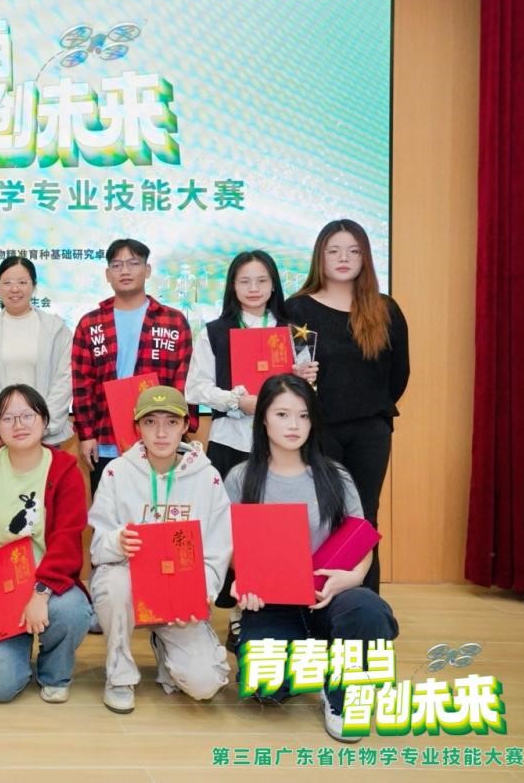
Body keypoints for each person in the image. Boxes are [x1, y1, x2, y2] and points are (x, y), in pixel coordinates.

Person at [225, 373, 399, 743]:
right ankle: (322, 663)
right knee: (264, 685)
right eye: (282, 414)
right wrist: (245, 581)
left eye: (303, 416)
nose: (294, 425)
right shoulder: (241, 478)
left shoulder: (335, 475)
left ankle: (343, 697)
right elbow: (233, 546)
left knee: (367, 608)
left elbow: (361, 541)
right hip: (272, 603)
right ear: (263, 418)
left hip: (330, 597)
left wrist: (352, 578)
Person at [186, 250, 316, 628]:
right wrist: (236, 401)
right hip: (232, 440)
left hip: (283, 445)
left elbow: (309, 393)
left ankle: (276, 604)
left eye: (261, 280)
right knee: (233, 527)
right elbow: (195, 388)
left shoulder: (295, 331)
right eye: (245, 281)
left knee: (276, 528)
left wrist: (305, 378)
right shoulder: (214, 331)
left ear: (274, 285)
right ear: (232, 286)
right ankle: (237, 609)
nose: (253, 288)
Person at [89, 386, 231, 714]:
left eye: (171, 422)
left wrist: (202, 594)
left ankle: (164, 643)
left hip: (180, 594)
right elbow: (97, 548)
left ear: (185, 425)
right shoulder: (116, 472)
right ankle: (120, 676)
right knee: (113, 585)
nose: (161, 432)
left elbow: (217, 549)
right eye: (150, 422)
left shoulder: (207, 477)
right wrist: (117, 541)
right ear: (137, 427)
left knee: (205, 685)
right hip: (130, 583)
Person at [286, 219, 409, 592]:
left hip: (370, 432)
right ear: (320, 256)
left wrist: (371, 409)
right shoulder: (296, 309)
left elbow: (399, 375)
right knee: (320, 516)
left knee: (364, 517)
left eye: (353, 251)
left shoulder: (385, 309)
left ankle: (364, 605)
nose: (344, 258)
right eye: (334, 251)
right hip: (318, 430)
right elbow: (283, 374)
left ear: (365, 258)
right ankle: (315, 601)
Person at [0, 385, 93, 704]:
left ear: (44, 420)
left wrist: (41, 593)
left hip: (48, 582)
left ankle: (54, 672)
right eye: (8, 418)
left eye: (27, 415)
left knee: (72, 611)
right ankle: (13, 647)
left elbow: (67, 539)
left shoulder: (64, 469)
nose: (18, 424)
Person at [71, 238, 195, 493]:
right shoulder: (90, 324)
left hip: (160, 440)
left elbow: (184, 381)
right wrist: (86, 434)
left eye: (133, 263)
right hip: (106, 441)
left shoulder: (173, 321)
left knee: (159, 510)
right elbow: (82, 384)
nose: (125, 271)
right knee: (110, 514)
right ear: (108, 274)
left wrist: (180, 429)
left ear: (147, 270)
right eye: (117, 265)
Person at [0, 257, 73, 449]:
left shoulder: (56, 329)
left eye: (22, 282)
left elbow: (64, 382)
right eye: (7, 283)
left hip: (44, 438)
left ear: (34, 286)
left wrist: (41, 428)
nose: (15, 289)